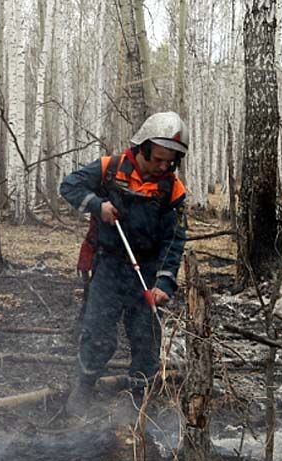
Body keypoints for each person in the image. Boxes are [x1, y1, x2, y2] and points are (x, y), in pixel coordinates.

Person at [59, 111, 189, 417]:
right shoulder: (110, 168)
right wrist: (97, 205)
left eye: (169, 161)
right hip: (108, 267)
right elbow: (69, 186)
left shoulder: (172, 189)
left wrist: (164, 283)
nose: (162, 166)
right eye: (157, 159)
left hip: (145, 272)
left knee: (146, 343)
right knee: (98, 335)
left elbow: (174, 240)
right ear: (142, 148)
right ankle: (82, 393)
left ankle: (138, 406)